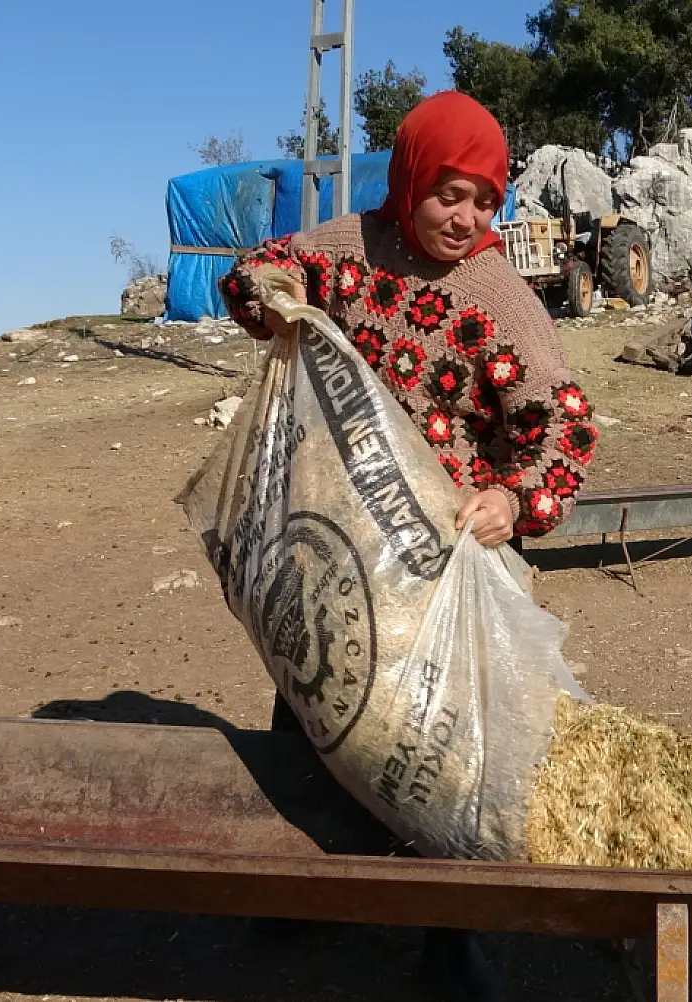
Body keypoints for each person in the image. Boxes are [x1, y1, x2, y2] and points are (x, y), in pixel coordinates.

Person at [217, 90, 598, 1002]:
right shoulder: (350, 251)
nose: (465, 216)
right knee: (312, 709)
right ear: (410, 181)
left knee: (445, 747)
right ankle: (311, 887)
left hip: (447, 558)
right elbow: (254, 275)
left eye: (483, 199)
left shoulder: (500, 296)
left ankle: (454, 938)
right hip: (342, 539)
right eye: (447, 194)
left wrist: (513, 498)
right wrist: (274, 298)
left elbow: (566, 428)